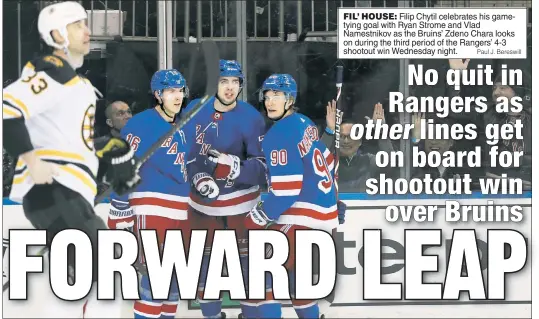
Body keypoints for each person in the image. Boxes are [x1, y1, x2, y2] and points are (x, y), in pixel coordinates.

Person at [2, 1, 140, 317]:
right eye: (78, 25)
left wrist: (117, 155)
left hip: (70, 194)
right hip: (52, 191)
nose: (87, 30)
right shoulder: (53, 72)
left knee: (102, 270)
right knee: (105, 262)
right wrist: (32, 161)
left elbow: (78, 144)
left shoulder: (76, 85)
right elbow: (7, 110)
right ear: (56, 34)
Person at [243, 74, 344, 319]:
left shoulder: (277, 136)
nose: (270, 102)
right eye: (267, 97)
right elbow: (328, 163)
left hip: (301, 218)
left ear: (290, 99)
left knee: (261, 270)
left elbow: (287, 191)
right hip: (324, 220)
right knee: (298, 282)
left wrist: (256, 217)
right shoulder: (304, 122)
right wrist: (334, 200)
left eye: (277, 96)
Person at [184, 59, 268, 319]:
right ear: (214, 84)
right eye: (223, 81)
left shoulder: (252, 117)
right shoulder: (194, 111)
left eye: (235, 82)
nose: (230, 88)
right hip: (201, 207)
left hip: (242, 208)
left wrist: (234, 168)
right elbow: (182, 156)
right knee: (204, 271)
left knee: (249, 272)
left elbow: (264, 169)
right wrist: (197, 176)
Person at [107, 69, 192, 319]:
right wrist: (120, 211)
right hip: (152, 209)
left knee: (174, 284)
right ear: (158, 95)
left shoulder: (184, 123)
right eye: (170, 91)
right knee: (154, 283)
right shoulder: (140, 124)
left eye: (180, 90)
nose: (177, 96)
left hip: (180, 210)